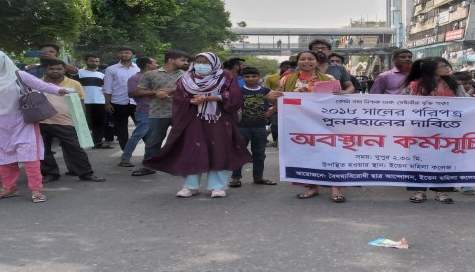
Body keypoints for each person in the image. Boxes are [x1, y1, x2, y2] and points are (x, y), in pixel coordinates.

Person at [143, 52, 252, 198]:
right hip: (192, 118)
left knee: (218, 150)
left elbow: (234, 96)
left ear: (214, 63)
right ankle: (190, 186)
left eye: (206, 62)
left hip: (217, 119)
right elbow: (180, 97)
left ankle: (218, 187)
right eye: (198, 61)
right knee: (192, 150)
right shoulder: (185, 78)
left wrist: (208, 98)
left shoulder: (225, 76)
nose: (201, 65)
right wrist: (190, 101)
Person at [0, 50, 69, 203]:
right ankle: (9, 188)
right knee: (1, 157)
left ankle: (36, 190)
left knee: (30, 157)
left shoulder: (18, 75)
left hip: (22, 120)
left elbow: (40, 85)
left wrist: (59, 90)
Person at [266, 50, 347, 202]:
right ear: (298, 62)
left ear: (317, 62)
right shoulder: (287, 79)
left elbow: (336, 100)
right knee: (306, 155)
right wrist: (271, 100)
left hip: (325, 124)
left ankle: (335, 189)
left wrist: (339, 94)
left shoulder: (329, 78)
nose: (306, 62)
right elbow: (280, 99)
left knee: (330, 153)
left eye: (310, 59)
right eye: (302, 59)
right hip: (298, 124)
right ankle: (312, 187)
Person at [401, 57, 470, 204]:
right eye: (443, 66)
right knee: (418, 160)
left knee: (445, 160)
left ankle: (442, 191)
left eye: (446, 65)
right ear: (432, 69)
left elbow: (468, 102)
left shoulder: (454, 85)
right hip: (419, 131)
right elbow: (403, 105)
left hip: (447, 131)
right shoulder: (414, 86)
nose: (447, 68)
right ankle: (419, 190)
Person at [39, 59, 106, 183]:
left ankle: (86, 173)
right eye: (51, 69)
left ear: (64, 70)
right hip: (41, 122)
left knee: (75, 149)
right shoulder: (37, 83)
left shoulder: (74, 84)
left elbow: (81, 102)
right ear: (45, 70)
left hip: (66, 122)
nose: (55, 71)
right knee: (43, 150)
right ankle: (50, 174)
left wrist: (81, 121)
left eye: (58, 69)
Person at [131, 50, 189, 176]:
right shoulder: (150, 74)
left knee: (181, 141)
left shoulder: (186, 75)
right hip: (157, 113)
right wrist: (155, 92)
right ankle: (149, 166)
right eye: (183, 60)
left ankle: (181, 166)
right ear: (171, 60)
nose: (186, 63)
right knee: (153, 142)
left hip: (180, 113)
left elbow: (192, 92)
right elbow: (137, 93)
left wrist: (172, 90)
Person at [229, 66, 277, 187]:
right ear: (242, 78)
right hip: (241, 127)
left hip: (260, 127)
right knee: (239, 152)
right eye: (247, 76)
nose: (251, 79)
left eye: (254, 76)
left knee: (259, 153)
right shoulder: (238, 91)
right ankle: (235, 178)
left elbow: (279, 100)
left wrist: (272, 111)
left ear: (259, 77)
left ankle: (258, 177)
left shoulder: (266, 91)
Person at [118, 57, 158, 167]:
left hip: (155, 111)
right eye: (155, 63)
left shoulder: (154, 77)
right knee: (138, 134)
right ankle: (125, 158)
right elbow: (132, 94)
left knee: (150, 137)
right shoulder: (135, 78)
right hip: (144, 110)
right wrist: (155, 92)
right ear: (148, 65)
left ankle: (151, 158)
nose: (157, 65)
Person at [102, 46, 140, 150]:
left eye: (127, 53)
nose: (124, 55)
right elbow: (107, 87)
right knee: (121, 129)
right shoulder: (111, 69)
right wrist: (107, 103)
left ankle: (149, 154)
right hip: (118, 103)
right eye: (121, 53)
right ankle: (126, 152)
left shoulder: (138, 69)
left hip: (137, 103)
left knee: (142, 127)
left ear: (133, 55)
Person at [78, 54, 111, 149]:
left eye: (96, 61)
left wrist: (106, 102)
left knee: (100, 123)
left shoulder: (102, 75)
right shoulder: (79, 73)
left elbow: (105, 89)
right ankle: (83, 143)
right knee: (83, 123)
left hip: (99, 102)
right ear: (86, 61)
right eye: (91, 61)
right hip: (84, 102)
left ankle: (98, 142)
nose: (94, 63)